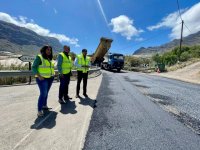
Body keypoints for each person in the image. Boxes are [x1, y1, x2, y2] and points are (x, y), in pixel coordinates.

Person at [32, 45, 55, 117]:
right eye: (48, 50)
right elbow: (34, 67)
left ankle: (44, 105)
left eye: (50, 50)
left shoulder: (50, 58)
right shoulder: (39, 57)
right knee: (43, 94)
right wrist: (39, 76)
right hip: (42, 78)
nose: (49, 51)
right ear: (44, 50)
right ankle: (39, 110)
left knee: (46, 93)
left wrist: (52, 75)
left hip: (50, 78)